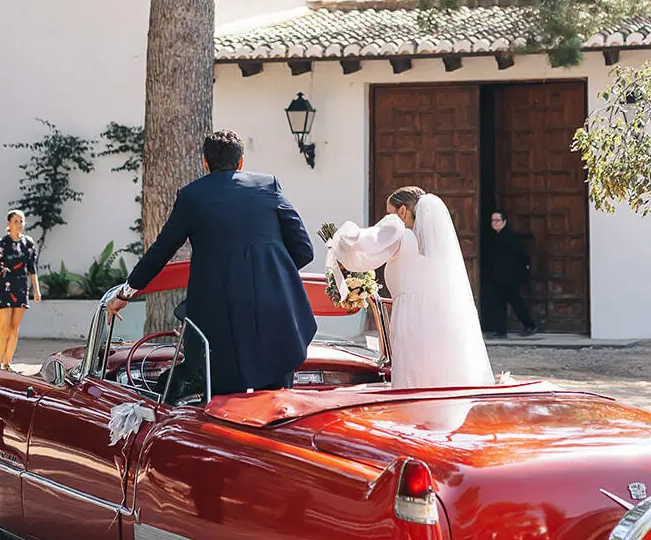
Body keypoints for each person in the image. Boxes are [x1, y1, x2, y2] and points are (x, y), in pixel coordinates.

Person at [106, 130, 316, 395]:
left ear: (205, 163)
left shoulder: (192, 196)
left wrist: (125, 292)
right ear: (240, 162)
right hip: (277, 312)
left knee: (223, 402)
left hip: (220, 317)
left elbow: (161, 250)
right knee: (279, 403)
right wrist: (269, 277)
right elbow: (304, 249)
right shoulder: (269, 185)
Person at [328, 187, 495, 389]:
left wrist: (337, 239)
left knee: (412, 371)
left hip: (411, 314)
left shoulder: (400, 234)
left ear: (402, 211)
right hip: (440, 314)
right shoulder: (437, 247)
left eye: (390, 212)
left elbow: (364, 245)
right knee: (435, 369)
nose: (387, 217)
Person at [0, 209, 40, 370]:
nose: (19, 224)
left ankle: (7, 363)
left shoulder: (28, 243)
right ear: (9, 224)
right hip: (3, 287)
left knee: (14, 327)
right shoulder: (1, 244)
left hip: (21, 287)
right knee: (4, 326)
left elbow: (32, 268)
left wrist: (36, 289)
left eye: (21, 221)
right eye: (15, 221)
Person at [481, 209, 538, 339]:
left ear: (504, 222)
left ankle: (529, 325)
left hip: (509, 277)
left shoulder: (509, 237)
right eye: (493, 220)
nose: (495, 223)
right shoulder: (494, 237)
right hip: (498, 276)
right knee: (499, 303)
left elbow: (518, 255)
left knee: (516, 302)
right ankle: (501, 331)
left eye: (497, 220)